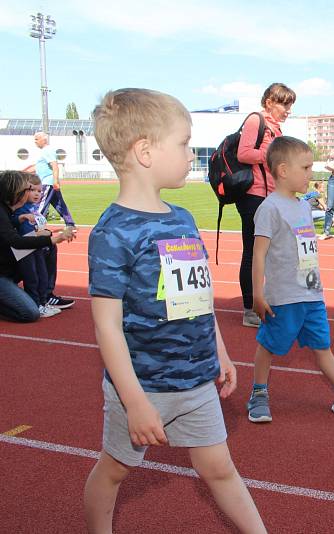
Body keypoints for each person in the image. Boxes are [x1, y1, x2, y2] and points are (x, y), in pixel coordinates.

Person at [83, 88, 266, 533]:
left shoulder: (182, 218)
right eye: (184, 144)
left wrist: (218, 353)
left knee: (220, 468)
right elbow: (107, 328)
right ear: (144, 151)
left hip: (197, 378)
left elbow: (197, 300)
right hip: (145, 386)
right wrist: (135, 402)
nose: (192, 155)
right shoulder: (113, 233)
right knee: (114, 471)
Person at [245, 137, 334, 423]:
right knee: (269, 345)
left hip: (311, 293)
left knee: (322, 346)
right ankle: (258, 393)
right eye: (306, 168)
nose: (311, 173)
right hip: (284, 297)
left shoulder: (303, 206)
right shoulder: (269, 209)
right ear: (283, 170)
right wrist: (258, 294)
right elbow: (258, 255)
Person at [236, 83, 296, 328]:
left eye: (290, 105)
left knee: (270, 251)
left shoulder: (275, 127)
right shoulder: (255, 121)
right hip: (253, 195)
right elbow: (244, 153)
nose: (288, 110)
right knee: (253, 252)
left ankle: (265, 300)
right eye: (284, 104)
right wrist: (272, 155)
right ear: (270, 101)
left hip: (270, 195)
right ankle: (250, 308)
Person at [0, 170, 74, 322]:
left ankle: (45, 296)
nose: (30, 193)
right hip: (2, 273)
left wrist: (20, 219)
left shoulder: (11, 212)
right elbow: (17, 242)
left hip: (8, 268)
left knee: (46, 250)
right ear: (14, 192)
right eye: (27, 189)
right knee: (29, 313)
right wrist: (55, 238)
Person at [11, 174, 60, 317]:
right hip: (26, 250)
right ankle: (36, 303)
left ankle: (43, 302)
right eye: (33, 190)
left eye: (39, 191)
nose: (37, 194)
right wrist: (41, 234)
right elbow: (21, 231)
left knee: (42, 275)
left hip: (36, 248)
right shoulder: (20, 209)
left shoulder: (33, 208)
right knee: (32, 278)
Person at [29, 132, 76, 227]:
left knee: (39, 204)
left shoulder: (48, 150)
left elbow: (55, 166)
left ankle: (35, 224)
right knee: (59, 204)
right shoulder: (44, 152)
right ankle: (70, 224)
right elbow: (36, 167)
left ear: (44, 140)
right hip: (49, 183)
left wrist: (55, 181)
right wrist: (20, 173)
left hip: (47, 182)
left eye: (37, 139)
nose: (35, 142)